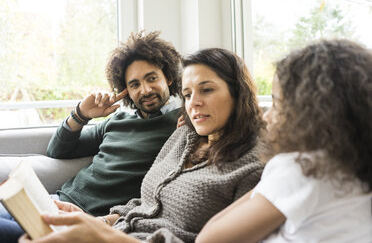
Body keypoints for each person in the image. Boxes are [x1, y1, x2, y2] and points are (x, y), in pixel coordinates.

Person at [18, 47, 265, 243]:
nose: (193, 103)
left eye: (207, 90)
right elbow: (143, 204)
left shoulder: (252, 165)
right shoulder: (182, 136)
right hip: (78, 210)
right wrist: (81, 114)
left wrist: (101, 233)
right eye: (188, 94)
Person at [0, 31, 182, 242]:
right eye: (134, 84)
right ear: (126, 91)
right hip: (55, 201)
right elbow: (58, 150)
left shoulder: (182, 124)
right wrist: (81, 114)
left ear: (168, 78)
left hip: (87, 221)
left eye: (152, 78)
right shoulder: (118, 120)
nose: (145, 90)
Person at [195, 39, 372, 243]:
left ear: (313, 113)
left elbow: (209, 239)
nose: (266, 116)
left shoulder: (304, 168)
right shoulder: (355, 167)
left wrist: (271, 178)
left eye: (277, 104)